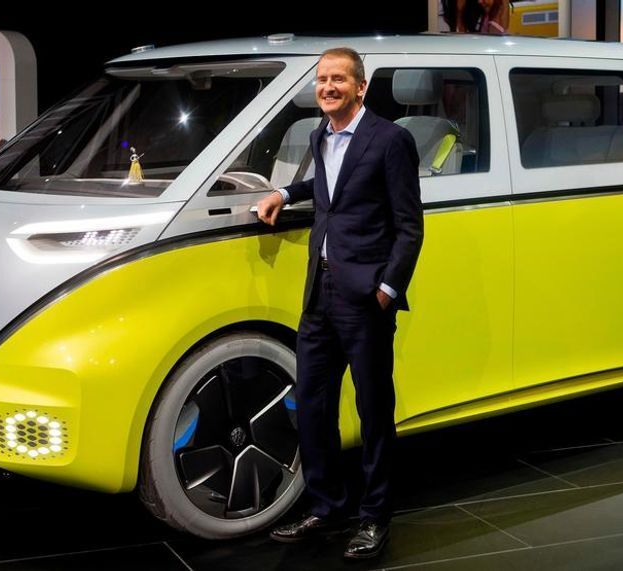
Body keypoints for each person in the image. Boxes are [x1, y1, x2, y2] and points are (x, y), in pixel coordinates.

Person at [256, 47, 423, 559]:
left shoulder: (392, 140)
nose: (328, 87)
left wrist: (386, 290)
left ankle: (374, 517)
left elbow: (410, 226)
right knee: (312, 406)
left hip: (364, 298)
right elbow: (327, 183)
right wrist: (285, 192)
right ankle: (326, 505)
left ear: (361, 87)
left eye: (339, 80)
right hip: (319, 292)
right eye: (322, 80)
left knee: (374, 412)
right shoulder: (320, 135)